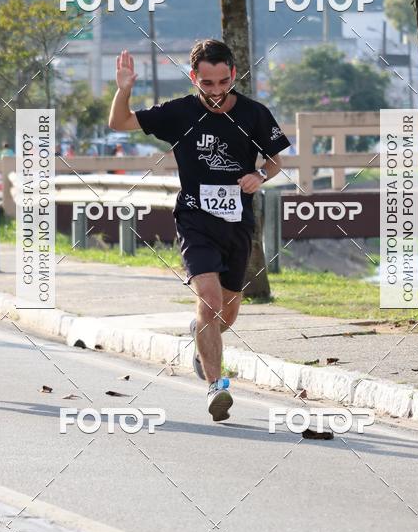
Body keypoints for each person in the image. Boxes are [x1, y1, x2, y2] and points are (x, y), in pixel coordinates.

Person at [108, 39, 290, 422]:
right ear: (194, 78)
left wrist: (259, 175)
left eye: (223, 82)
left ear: (233, 75)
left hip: (238, 223)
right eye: (207, 84)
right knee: (209, 301)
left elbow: (275, 159)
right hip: (195, 220)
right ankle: (215, 386)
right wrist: (124, 90)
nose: (216, 91)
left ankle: (200, 338)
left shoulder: (255, 114)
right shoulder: (180, 113)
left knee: (225, 315)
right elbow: (119, 123)